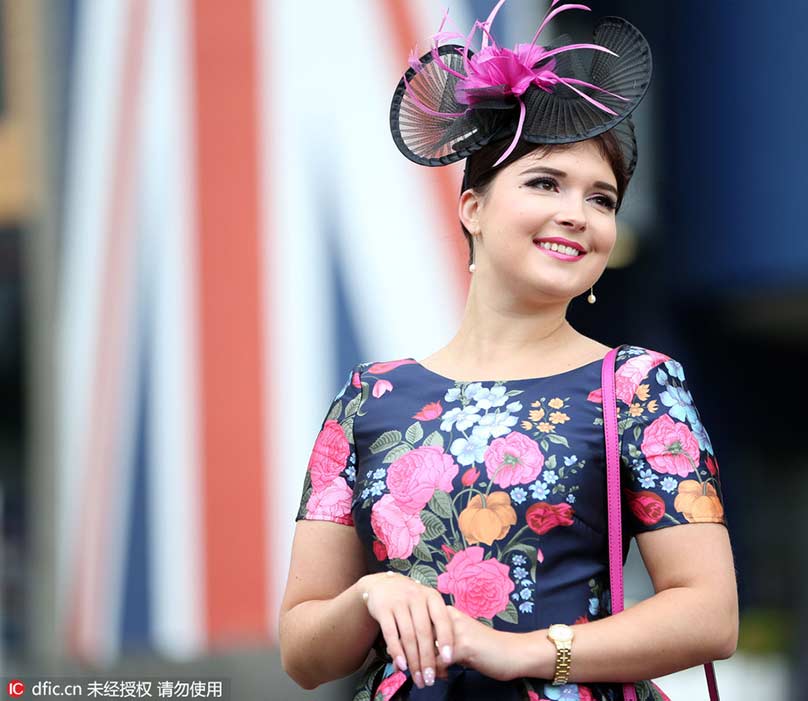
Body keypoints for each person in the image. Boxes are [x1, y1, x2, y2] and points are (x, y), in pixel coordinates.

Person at [279, 3, 738, 700]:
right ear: (474, 208)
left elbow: (710, 612)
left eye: (603, 198)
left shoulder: (638, 385)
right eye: (546, 183)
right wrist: (371, 594)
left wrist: (517, 650)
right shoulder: (367, 399)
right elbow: (303, 652)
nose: (577, 214)